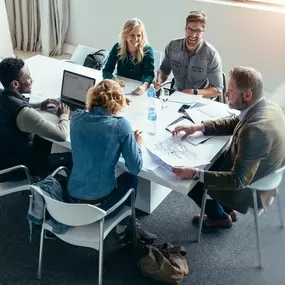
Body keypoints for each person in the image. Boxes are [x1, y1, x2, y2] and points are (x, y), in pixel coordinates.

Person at [172, 66, 285, 228]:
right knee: (213, 161)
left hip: (249, 186)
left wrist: (195, 173)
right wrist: (198, 127)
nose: (225, 95)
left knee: (191, 181)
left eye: (230, 92)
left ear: (247, 95)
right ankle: (227, 209)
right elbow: (236, 122)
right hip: (263, 170)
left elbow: (237, 180)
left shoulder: (255, 132)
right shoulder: (266, 106)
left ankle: (219, 218)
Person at [67, 79, 156, 242]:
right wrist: (138, 145)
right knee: (131, 178)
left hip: (71, 199)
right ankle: (122, 226)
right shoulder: (121, 125)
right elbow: (135, 167)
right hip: (100, 207)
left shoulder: (76, 117)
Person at [0, 57, 72, 179]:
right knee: (72, 158)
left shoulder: (2, 94)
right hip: (18, 167)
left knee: (45, 136)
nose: (32, 80)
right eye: (28, 77)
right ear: (15, 84)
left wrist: (38, 105)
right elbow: (62, 135)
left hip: (5, 157)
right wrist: (64, 115)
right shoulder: (24, 114)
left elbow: (15, 103)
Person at [155, 11, 223, 99]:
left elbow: (217, 90)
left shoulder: (211, 55)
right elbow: (164, 70)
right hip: (176, 95)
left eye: (198, 31)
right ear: (185, 29)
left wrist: (194, 92)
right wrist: (159, 79)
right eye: (189, 29)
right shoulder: (172, 47)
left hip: (199, 99)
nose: (193, 35)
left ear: (203, 31)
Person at [102, 18, 155, 95]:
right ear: (125, 35)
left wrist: (143, 87)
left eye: (139, 35)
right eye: (132, 35)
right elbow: (106, 70)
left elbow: (149, 75)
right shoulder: (117, 47)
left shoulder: (148, 50)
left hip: (138, 88)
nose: (136, 39)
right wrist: (113, 80)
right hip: (120, 88)